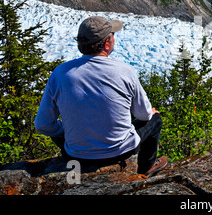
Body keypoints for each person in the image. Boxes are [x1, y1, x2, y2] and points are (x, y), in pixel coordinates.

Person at [34, 15, 168, 176]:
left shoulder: (61, 73)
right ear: (106, 43)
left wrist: (66, 130)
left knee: (58, 128)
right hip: (120, 151)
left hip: (76, 155)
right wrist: (151, 114)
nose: (114, 38)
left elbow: (43, 124)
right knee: (155, 119)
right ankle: (147, 167)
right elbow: (144, 115)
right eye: (113, 35)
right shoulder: (125, 71)